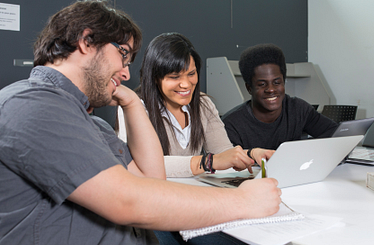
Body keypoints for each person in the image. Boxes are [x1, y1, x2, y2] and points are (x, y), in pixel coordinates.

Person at [0, 2, 281, 245]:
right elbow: (126, 199)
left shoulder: (89, 123)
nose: (125, 72)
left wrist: (132, 103)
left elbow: (151, 178)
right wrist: (243, 202)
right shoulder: (31, 103)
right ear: (86, 41)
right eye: (123, 54)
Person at [118, 32, 275, 178]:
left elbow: (223, 153)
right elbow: (138, 165)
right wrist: (208, 162)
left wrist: (250, 155)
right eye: (174, 77)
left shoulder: (203, 103)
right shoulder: (134, 107)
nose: (186, 84)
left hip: (191, 193)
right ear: (154, 78)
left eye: (191, 74)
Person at [222, 43, 339, 150]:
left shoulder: (298, 108)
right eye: (262, 84)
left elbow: (335, 133)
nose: (271, 89)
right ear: (249, 88)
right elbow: (227, 166)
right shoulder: (231, 124)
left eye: (277, 82)